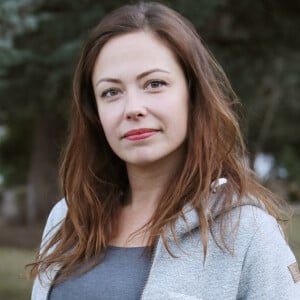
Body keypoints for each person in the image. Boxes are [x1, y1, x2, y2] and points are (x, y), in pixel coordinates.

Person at [30, 2, 300, 299]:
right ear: (95, 111)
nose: (133, 108)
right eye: (111, 92)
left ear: (192, 94)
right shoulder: (68, 217)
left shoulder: (247, 231)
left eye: (154, 84)